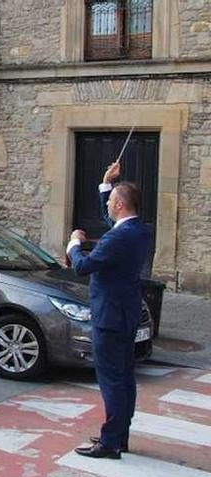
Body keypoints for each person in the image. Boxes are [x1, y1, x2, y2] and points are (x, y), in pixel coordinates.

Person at [69, 160, 151, 460]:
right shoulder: (138, 230)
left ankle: (111, 443)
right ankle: (120, 434)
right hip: (126, 312)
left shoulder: (118, 237)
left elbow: (82, 266)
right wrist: (107, 184)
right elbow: (112, 221)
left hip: (110, 317)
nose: (109, 206)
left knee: (112, 380)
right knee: (125, 378)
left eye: (112, 201)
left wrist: (74, 244)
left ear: (118, 205)